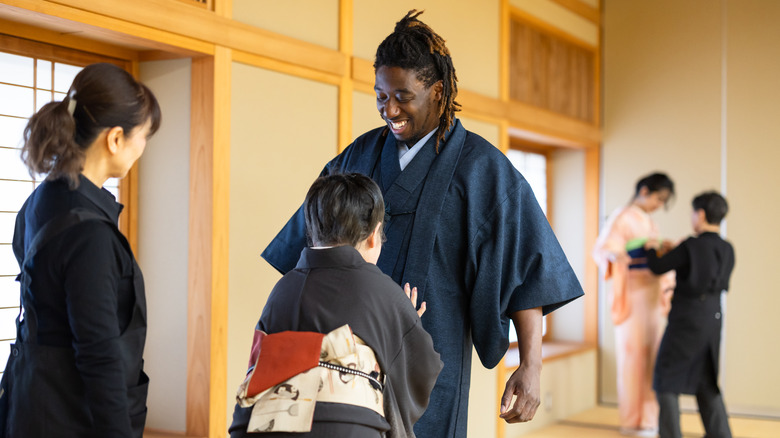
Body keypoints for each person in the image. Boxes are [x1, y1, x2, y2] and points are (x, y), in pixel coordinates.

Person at [261, 10, 583, 438]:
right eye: (379, 96)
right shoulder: (356, 158)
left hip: (433, 356)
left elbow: (526, 271)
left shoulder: (483, 170)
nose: (389, 109)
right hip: (344, 355)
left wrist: (531, 366)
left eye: (402, 96)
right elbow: (308, 252)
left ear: (437, 90)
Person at [0, 63, 161, 438]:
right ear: (116, 138)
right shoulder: (90, 233)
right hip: (69, 417)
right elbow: (99, 354)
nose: (142, 148)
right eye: (143, 136)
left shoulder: (40, 200)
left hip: (28, 404)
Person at [229, 173, 442, 438]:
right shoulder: (384, 291)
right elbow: (421, 370)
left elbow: (258, 364)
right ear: (374, 235)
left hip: (265, 427)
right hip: (348, 429)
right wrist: (408, 322)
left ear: (311, 233)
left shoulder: (282, 289)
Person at [645, 191, 735, 438]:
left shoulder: (690, 245)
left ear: (701, 214)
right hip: (713, 318)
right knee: (706, 381)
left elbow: (657, 267)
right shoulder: (727, 249)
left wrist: (652, 248)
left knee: (666, 379)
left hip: (687, 319)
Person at [593, 172, 676, 437]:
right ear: (644, 190)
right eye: (658, 198)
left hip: (651, 294)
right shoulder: (623, 216)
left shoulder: (649, 222)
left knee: (652, 356)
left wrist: (661, 248)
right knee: (632, 357)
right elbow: (604, 250)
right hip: (633, 293)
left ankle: (649, 418)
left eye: (663, 201)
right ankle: (632, 420)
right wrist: (637, 248)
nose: (658, 205)